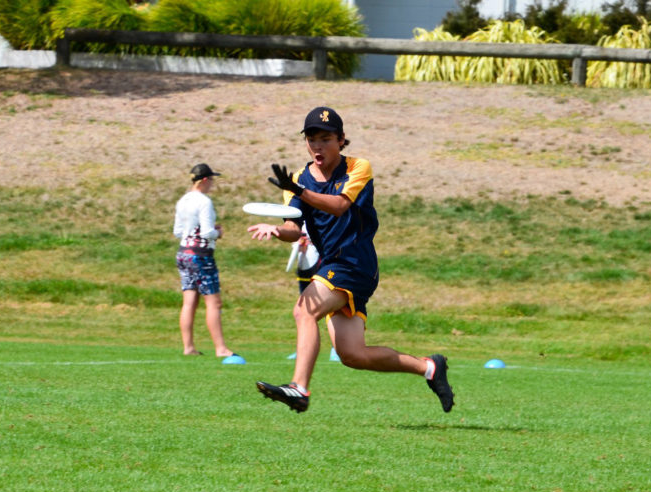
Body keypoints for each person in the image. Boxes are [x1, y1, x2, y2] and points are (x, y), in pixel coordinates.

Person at [248, 106, 454, 414]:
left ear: (341, 140)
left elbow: (339, 206)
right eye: (312, 139)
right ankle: (429, 368)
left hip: (355, 262)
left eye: (326, 138)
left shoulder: (358, 167)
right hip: (333, 265)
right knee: (352, 355)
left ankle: (299, 388)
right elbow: (294, 228)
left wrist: (299, 191)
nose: (318, 146)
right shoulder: (297, 180)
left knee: (304, 311)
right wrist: (276, 229)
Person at [173, 163, 238, 359]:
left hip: (184, 253)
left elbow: (177, 231)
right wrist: (218, 232)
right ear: (204, 180)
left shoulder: (182, 201)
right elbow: (208, 231)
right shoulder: (204, 202)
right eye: (211, 180)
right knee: (213, 302)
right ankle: (221, 348)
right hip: (201, 255)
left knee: (189, 301)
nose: (212, 184)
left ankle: (189, 346)